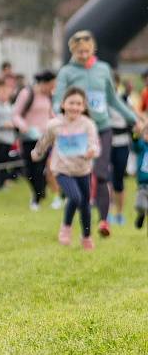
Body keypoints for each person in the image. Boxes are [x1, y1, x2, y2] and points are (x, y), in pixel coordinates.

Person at [53, 31, 136, 237]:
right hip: (77, 130)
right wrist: (60, 117)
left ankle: (104, 221)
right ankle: (71, 222)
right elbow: (57, 101)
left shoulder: (103, 69)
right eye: (79, 51)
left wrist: (134, 119)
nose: (83, 55)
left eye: (87, 51)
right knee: (79, 174)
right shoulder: (66, 72)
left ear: (93, 49)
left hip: (102, 128)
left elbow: (113, 100)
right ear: (72, 50)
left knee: (101, 174)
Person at [32, 87, 100, 250]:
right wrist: (37, 153)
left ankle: (86, 237)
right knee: (75, 198)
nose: (74, 107)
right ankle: (66, 228)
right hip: (62, 169)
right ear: (63, 104)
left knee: (85, 204)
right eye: (71, 103)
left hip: (83, 169)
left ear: (83, 107)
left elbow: (94, 145)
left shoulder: (87, 124)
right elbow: (44, 141)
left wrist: (92, 152)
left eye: (78, 104)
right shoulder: (54, 125)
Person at [12, 70, 57, 211]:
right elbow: (15, 114)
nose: (53, 87)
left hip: (44, 138)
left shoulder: (49, 96)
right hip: (28, 137)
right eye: (51, 84)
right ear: (44, 83)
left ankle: (38, 197)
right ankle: (38, 192)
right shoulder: (27, 93)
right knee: (29, 170)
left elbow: (51, 114)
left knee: (40, 168)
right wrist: (23, 126)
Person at [131, 120, 148, 230]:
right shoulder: (142, 146)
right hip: (143, 183)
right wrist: (136, 134)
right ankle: (141, 215)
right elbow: (135, 143)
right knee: (139, 205)